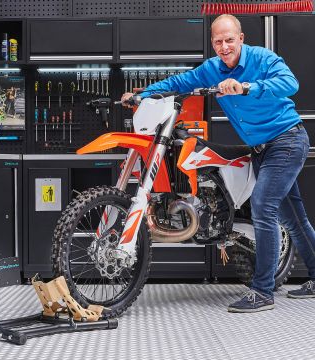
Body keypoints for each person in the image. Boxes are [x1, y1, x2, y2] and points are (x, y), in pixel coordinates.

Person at [121, 14, 315, 313]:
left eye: (229, 40)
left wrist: (247, 86)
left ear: (241, 39)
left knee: (264, 207)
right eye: (217, 42)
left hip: (287, 141)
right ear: (212, 43)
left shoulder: (263, 58)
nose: (224, 47)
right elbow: (178, 82)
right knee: (292, 218)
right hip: (261, 149)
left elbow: (289, 83)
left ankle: (262, 291)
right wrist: (141, 95)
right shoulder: (211, 69)